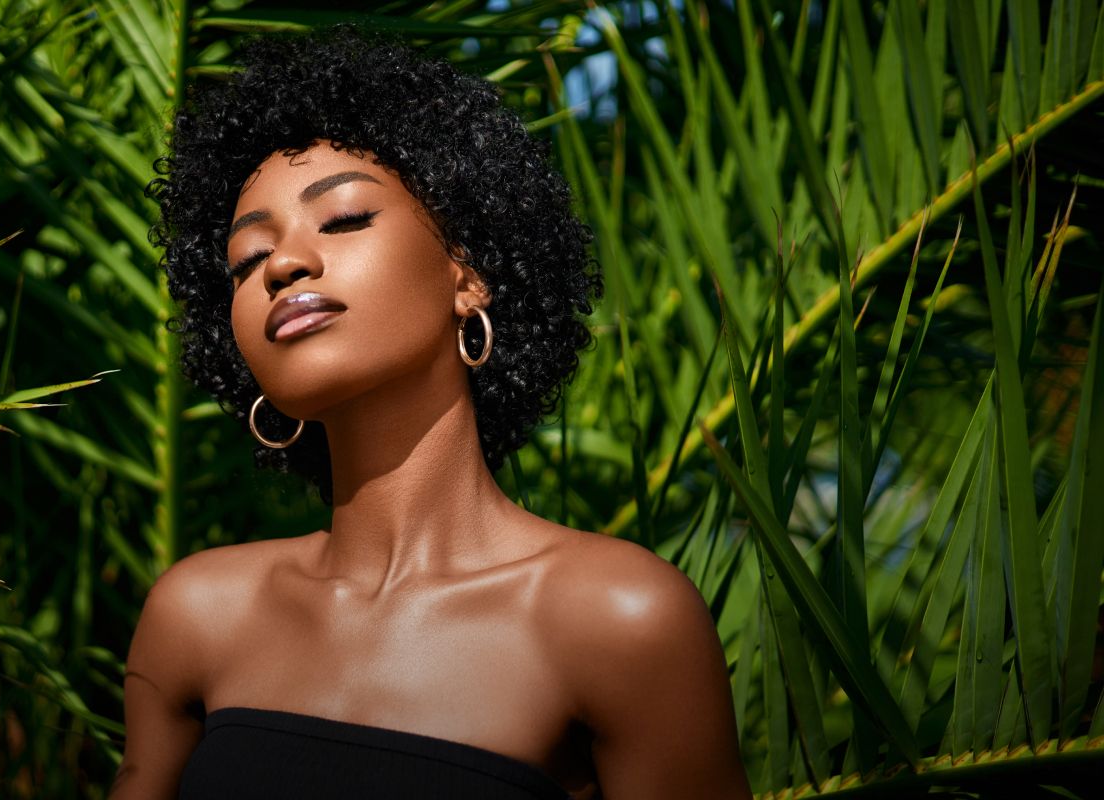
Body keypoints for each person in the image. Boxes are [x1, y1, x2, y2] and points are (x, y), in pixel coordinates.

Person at [113, 27, 751, 800]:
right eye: (246, 262)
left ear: (468, 276)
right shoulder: (197, 615)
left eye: (344, 219)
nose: (282, 265)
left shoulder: (618, 619)